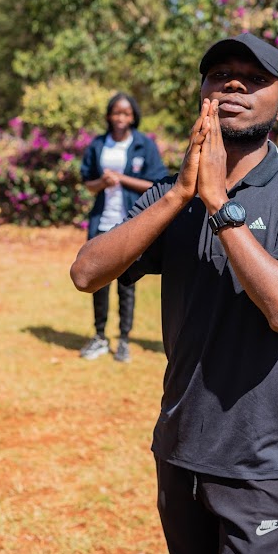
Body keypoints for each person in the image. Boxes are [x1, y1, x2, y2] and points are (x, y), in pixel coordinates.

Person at [70, 33, 278, 554]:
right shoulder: (172, 194)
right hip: (178, 445)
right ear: (203, 96)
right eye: (220, 76)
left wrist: (218, 203)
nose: (233, 85)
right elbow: (86, 273)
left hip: (260, 460)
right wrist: (180, 195)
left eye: (254, 79)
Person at [78, 93, 167, 363]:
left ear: (133, 117)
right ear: (109, 116)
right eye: (116, 112)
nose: (121, 118)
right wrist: (103, 183)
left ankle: (124, 339)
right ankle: (99, 336)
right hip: (101, 223)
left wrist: (122, 178)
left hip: (129, 225)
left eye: (126, 113)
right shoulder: (98, 145)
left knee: (127, 284)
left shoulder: (144, 145)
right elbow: (88, 183)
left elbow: (158, 185)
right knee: (98, 283)